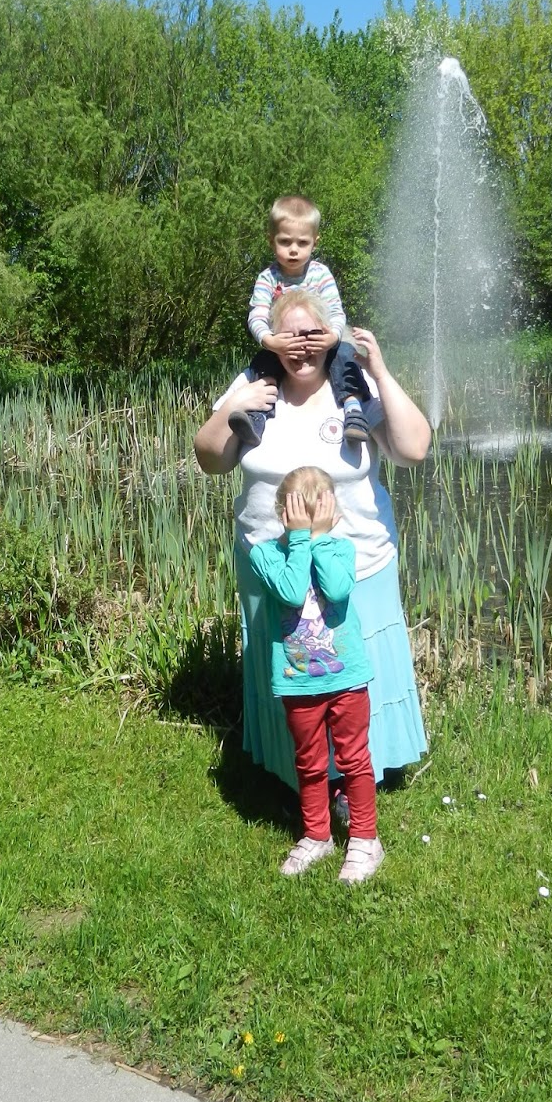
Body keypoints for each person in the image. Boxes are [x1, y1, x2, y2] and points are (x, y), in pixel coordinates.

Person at [194, 286, 431, 802]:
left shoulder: (354, 385)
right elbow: (210, 459)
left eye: (312, 334)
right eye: (289, 336)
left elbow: (414, 448)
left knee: (353, 674)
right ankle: (294, 773)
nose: (301, 346)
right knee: (290, 673)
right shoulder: (254, 385)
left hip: (356, 567)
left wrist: (380, 370)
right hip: (272, 570)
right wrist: (234, 405)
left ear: (331, 336)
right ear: (270, 340)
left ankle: (354, 780)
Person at [248, 465, 383, 883]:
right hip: (298, 679)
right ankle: (317, 835)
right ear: (284, 515)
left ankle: (365, 839)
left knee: (354, 758)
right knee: (309, 762)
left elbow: (337, 588)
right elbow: (291, 591)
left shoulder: (340, 549)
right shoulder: (265, 555)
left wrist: (320, 539)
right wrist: (302, 539)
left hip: (346, 678)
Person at [230, 194, 378, 450]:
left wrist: (333, 336)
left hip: (320, 343)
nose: (294, 249)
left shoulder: (321, 274)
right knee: (263, 365)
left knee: (345, 356)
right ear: (271, 241)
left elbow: (336, 311)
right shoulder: (267, 278)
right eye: (285, 241)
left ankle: (353, 410)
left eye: (302, 242)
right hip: (283, 345)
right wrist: (268, 340)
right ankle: (258, 417)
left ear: (314, 242)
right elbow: (257, 313)